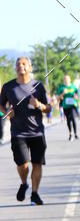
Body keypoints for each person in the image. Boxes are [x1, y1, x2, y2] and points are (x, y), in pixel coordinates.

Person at [0, 56, 52, 205]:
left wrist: (39, 105)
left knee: (37, 163)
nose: (20, 66)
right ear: (15, 68)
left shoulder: (38, 86)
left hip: (37, 132)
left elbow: (49, 108)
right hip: (18, 133)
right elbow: (1, 105)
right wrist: (7, 113)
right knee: (23, 164)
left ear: (30, 67)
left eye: (24, 64)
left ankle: (35, 194)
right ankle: (24, 183)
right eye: (18, 64)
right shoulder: (8, 87)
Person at [57, 75, 79, 140]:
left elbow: (77, 96)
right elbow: (58, 98)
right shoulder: (61, 88)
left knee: (72, 118)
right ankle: (70, 133)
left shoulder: (74, 87)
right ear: (64, 80)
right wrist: (63, 93)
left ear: (70, 79)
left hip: (73, 105)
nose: (66, 80)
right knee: (68, 120)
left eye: (67, 79)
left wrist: (75, 96)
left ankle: (75, 133)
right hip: (65, 106)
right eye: (65, 79)